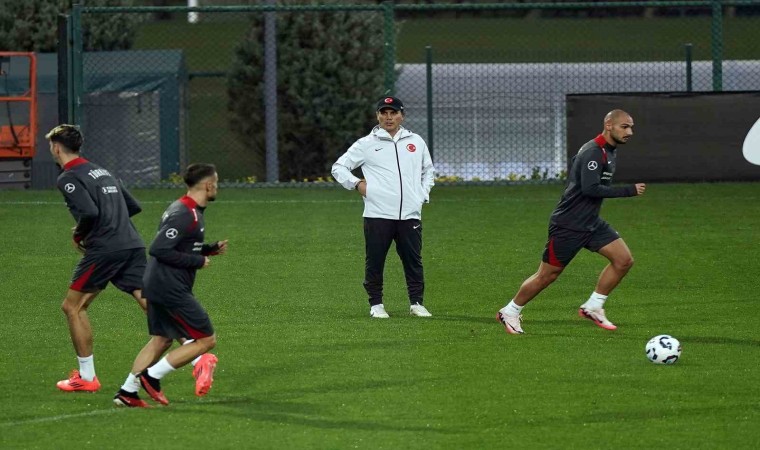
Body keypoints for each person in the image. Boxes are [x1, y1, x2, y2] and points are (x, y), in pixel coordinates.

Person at [496, 109, 646, 334]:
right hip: (569, 224)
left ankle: (593, 306)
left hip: (591, 222)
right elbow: (590, 189)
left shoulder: (608, 150)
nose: (630, 132)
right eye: (624, 126)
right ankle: (510, 311)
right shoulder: (594, 152)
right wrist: (628, 191)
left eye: (631, 127)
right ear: (608, 125)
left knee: (623, 260)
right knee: (547, 275)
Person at [114, 163, 226, 407]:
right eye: (216, 183)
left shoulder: (189, 210)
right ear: (208, 185)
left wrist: (207, 249)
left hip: (158, 283)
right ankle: (152, 377)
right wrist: (198, 261)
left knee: (162, 339)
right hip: (170, 287)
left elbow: (181, 244)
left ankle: (127, 391)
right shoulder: (184, 213)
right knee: (206, 339)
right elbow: (159, 249)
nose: (217, 188)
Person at [48, 124, 147, 393]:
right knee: (148, 301)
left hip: (105, 248)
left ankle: (87, 377)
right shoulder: (102, 171)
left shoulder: (68, 177)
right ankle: (196, 352)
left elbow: (89, 213)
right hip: (132, 243)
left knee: (72, 307)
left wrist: (79, 235)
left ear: (56, 148)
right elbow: (133, 206)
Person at [331, 96, 436, 319]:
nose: (388, 117)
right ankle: (376, 304)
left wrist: (421, 195)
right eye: (384, 113)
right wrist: (357, 184)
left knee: (413, 261)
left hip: (410, 214)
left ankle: (417, 303)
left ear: (402, 116)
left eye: (393, 113)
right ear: (377, 116)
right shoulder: (366, 144)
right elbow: (338, 167)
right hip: (377, 214)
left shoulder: (416, 142)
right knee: (375, 261)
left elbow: (428, 171)